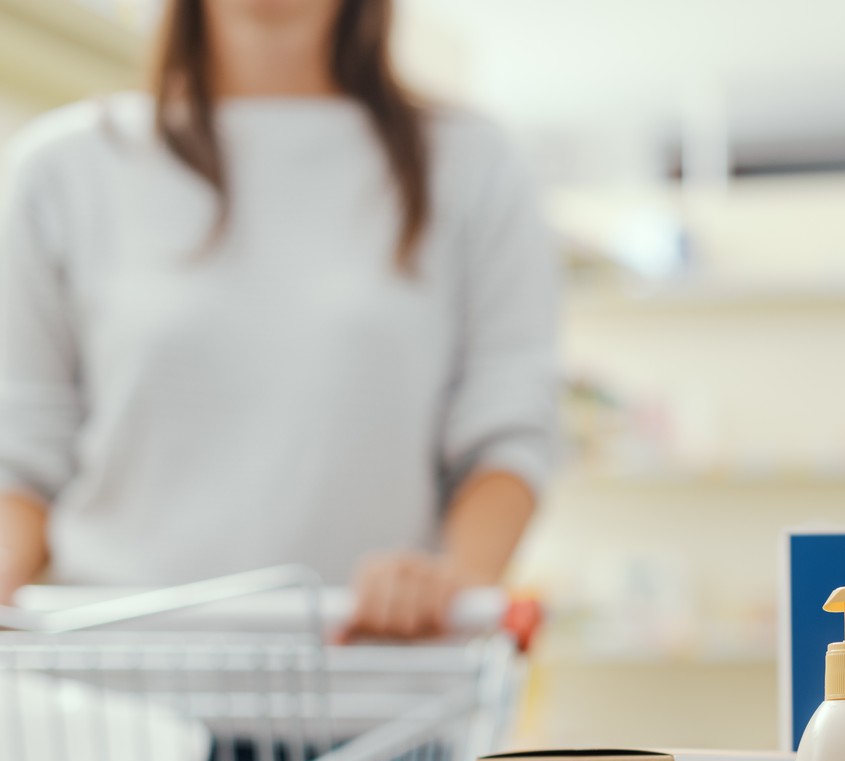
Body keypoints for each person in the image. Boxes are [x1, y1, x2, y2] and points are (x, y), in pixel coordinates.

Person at [0, 0, 557, 639]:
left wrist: (453, 579)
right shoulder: (63, 170)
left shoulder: (469, 164)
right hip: (114, 695)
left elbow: (508, 431)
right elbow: (24, 452)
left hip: (383, 688)